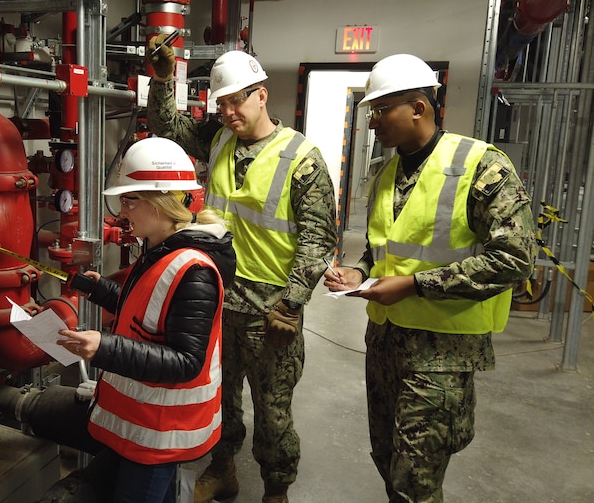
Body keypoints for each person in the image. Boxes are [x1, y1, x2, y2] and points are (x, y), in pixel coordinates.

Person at [323, 54, 537, 503]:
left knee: (415, 480)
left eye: (382, 111)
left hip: (442, 354)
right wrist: (359, 271)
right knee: (386, 459)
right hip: (384, 344)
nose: (374, 123)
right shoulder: (383, 173)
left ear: (419, 107)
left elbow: (516, 259)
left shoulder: (482, 166)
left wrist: (416, 284)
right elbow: (381, 248)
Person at [146, 38, 338, 503]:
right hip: (216, 298)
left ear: (262, 95)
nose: (230, 112)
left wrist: (292, 303)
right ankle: (224, 469)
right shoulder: (218, 140)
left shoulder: (301, 158)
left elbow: (319, 239)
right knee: (220, 399)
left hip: (270, 309)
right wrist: (162, 79)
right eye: (223, 103)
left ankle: (276, 491)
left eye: (238, 101)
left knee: (273, 413)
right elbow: (166, 126)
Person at [56, 136, 236, 503]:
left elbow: (186, 362)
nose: (122, 211)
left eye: (129, 199)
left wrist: (104, 348)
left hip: (162, 431)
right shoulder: (161, 248)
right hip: (145, 424)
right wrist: (103, 291)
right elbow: (153, 308)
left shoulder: (194, 269)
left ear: (162, 201)